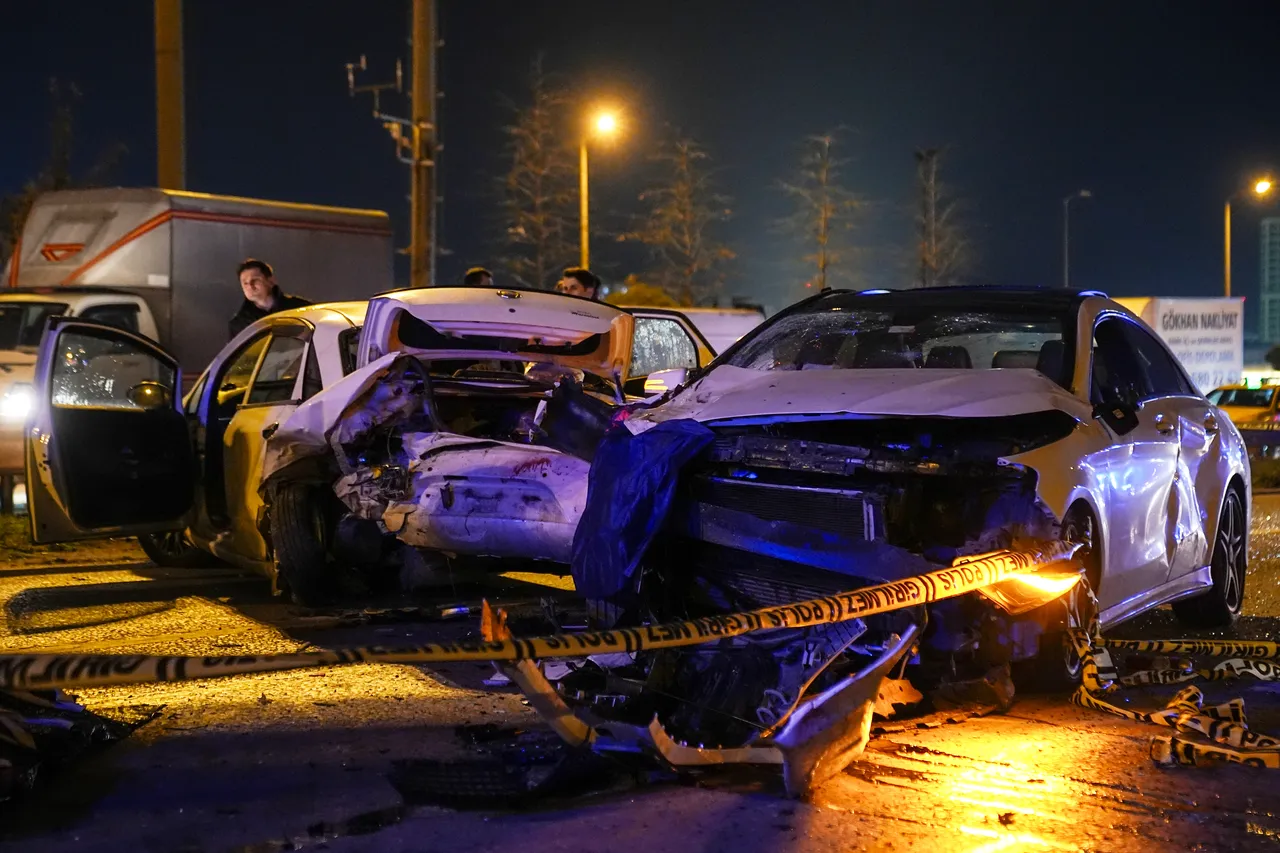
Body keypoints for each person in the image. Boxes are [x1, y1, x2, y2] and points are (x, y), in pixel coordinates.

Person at [228, 259, 312, 339]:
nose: (250, 286)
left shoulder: (301, 309)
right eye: (245, 283)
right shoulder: (239, 324)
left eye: (255, 280)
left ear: (271, 281)